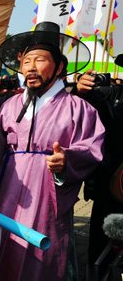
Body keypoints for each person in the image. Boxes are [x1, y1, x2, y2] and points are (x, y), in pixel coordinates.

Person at [0, 21, 104, 281]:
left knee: (42, 257)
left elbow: (92, 147)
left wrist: (67, 159)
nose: (31, 67)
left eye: (40, 60)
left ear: (59, 67)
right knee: (4, 251)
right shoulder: (10, 106)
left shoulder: (79, 108)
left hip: (47, 195)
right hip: (8, 193)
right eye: (27, 61)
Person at [72, 58, 123, 271]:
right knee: (103, 244)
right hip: (112, 185)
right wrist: (80, 89)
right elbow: (80, 105)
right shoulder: (111, 95)